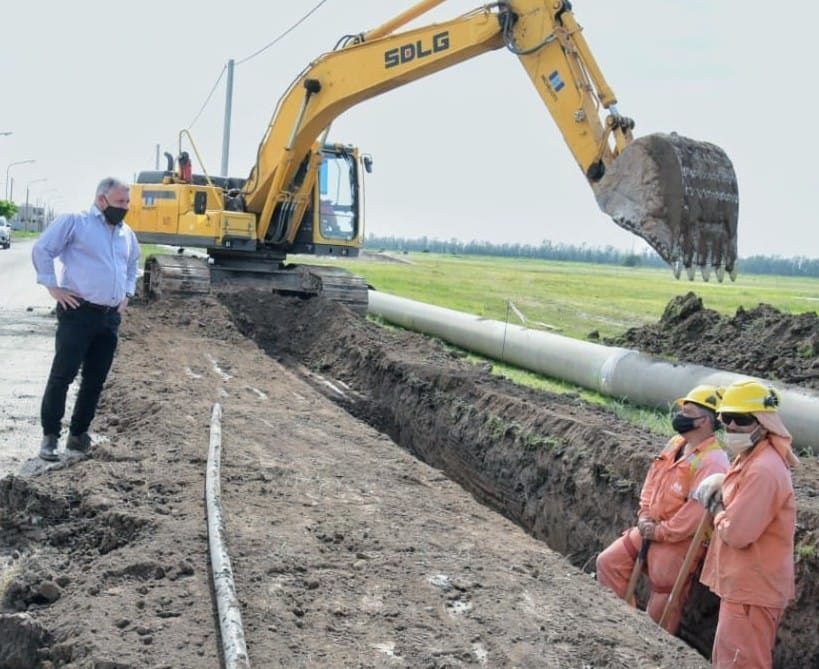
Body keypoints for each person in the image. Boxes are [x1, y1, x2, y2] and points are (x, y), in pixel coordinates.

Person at [596, 385, 730, 634]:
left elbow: (694, 516)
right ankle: (620, 627)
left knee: (662, 604)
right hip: (650, 526)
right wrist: (645, 515)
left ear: (704, 421)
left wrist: (659, 532)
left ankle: (652, 648)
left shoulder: (713, 461)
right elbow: (652, 480)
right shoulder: (675, 443)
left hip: (678, 542)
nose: (680, 416)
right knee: (609, 563)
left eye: (687, 411)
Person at [31, 177, 140, 461]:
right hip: (78, 312)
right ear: (101, 199)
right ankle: (50, 437)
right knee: (63, 375)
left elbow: (132, 264)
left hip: (109, 318)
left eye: (127, 202)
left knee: (95, 380)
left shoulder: (126, 233)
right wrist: (52, 286)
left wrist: (127, 293)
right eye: (120, 202)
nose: (125, 207)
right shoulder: (75, 222)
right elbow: (43, 249)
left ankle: (78, 435)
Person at [692, 380, 798, 668]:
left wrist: (717, 509)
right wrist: (722, 482)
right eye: (727, 419)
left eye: (741, 420)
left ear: (763, 423)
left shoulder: (764, 470)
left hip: (753, 589)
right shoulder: (750, 457)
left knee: (741, 663)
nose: (733, 427)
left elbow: (738, 533)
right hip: (744, 586)